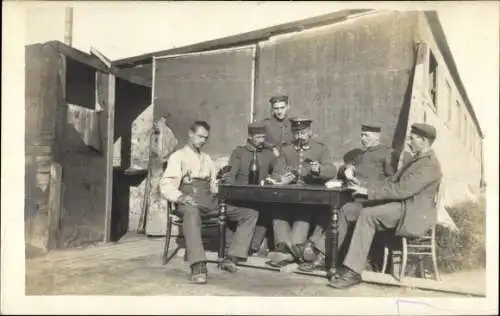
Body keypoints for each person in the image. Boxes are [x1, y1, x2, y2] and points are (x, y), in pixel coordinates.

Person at [327, 123, 443, 289]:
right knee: (349, 209)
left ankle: (353, 271)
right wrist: (363, 185)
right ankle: (333, 261)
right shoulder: (416, 159)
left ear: (423, 140)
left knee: (368, 215)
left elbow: (402, 190)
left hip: (411, 212)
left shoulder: (429, 165)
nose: (409, 141)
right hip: (401, 205)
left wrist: (368, 193)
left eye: (413, 138)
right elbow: (391, 182)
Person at [159, 121, 259, 284]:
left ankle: (231, 257)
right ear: (190, 134)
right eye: (199, 136)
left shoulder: (207, 159)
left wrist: (222, 182)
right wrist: (180, 197)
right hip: (188, 201)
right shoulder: (178, 157)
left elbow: (213, 187)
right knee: (192, 212)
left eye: (205, 138)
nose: (202, 141)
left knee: (250, 213)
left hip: (209, 201)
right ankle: (198, 265)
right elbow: (166, 184)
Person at [299, 123, 397, 271]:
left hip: (373, 201)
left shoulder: (388, 154)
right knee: (332, 209)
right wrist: (347, 168)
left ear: (377, 137)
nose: (363, 139)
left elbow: (391, 182)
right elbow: (341, 172)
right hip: (356, 197)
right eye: (362, 135)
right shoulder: (361, 154)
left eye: (367, 136)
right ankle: (316, 249)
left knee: (342, 212)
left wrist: (363, 183)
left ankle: (321, 256)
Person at [266, 117, 337, 267]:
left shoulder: (320, 149)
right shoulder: (286, 149)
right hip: (289, 195)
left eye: (303, 133)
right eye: (297, 133)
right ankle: (285, 249)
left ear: (310, 132)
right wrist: (281, 178)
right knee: (277, 210)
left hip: (312, 197)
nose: (300, 137)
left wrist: (318, 170)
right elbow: (276, 173)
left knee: (303, 213)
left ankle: (294, 250)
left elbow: (331, 170)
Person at [222, 122, 279, 255]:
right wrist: (229, 186)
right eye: (258, 137)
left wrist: (273, 179)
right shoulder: (239, 152)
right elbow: (231, 174)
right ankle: (230, 245)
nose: (261, 141)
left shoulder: (268, 154)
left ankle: (252, 246)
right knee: (237, 209)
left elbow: (278, 171)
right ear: (250, 137)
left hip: (261, 195)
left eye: (263, 137)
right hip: (240, 195)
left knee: (268, 209)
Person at [250, 95, 294, 253]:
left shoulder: (293, 124)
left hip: (288, 169)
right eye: (276, 109)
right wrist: (270, 146)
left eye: (282, 108)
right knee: (268, 204)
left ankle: (286, 244)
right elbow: (253, 136)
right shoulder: (265, 124)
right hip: (271, 168)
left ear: (288, 106)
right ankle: (257, 243)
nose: (279, 111)